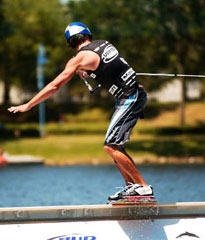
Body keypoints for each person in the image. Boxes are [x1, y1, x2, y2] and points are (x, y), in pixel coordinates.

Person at [8, 22, 155, 203]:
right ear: (88, 34)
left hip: (130, 98)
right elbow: (108, 67)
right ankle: (132, 188)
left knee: (111, 146)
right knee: (115, 145)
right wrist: (88, 72)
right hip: (136, 93)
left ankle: (142, 188)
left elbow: (55, 86)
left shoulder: (77, 60)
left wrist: (29, 104)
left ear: (70, 42)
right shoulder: (104, 44)